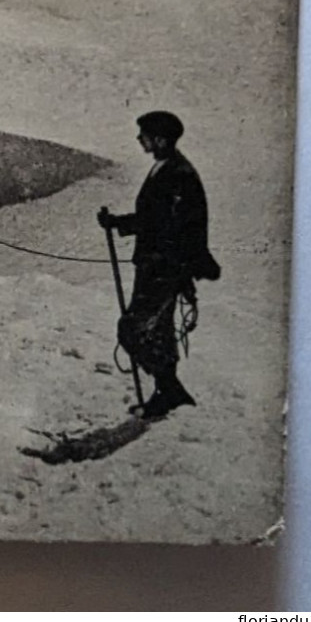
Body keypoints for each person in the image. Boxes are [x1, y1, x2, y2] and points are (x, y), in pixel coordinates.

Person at [98, 110, 212, 420]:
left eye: (144, 134)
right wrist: (117, 223)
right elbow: (154, 219)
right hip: (156, 266)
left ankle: (169, 388)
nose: (139, 139)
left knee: (132, 329)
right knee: (159, 331)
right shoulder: (166, 168)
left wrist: (119, 223)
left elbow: (167, 225)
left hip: (164, 268)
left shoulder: (177, 174)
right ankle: (166, 395)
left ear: (160, 139)